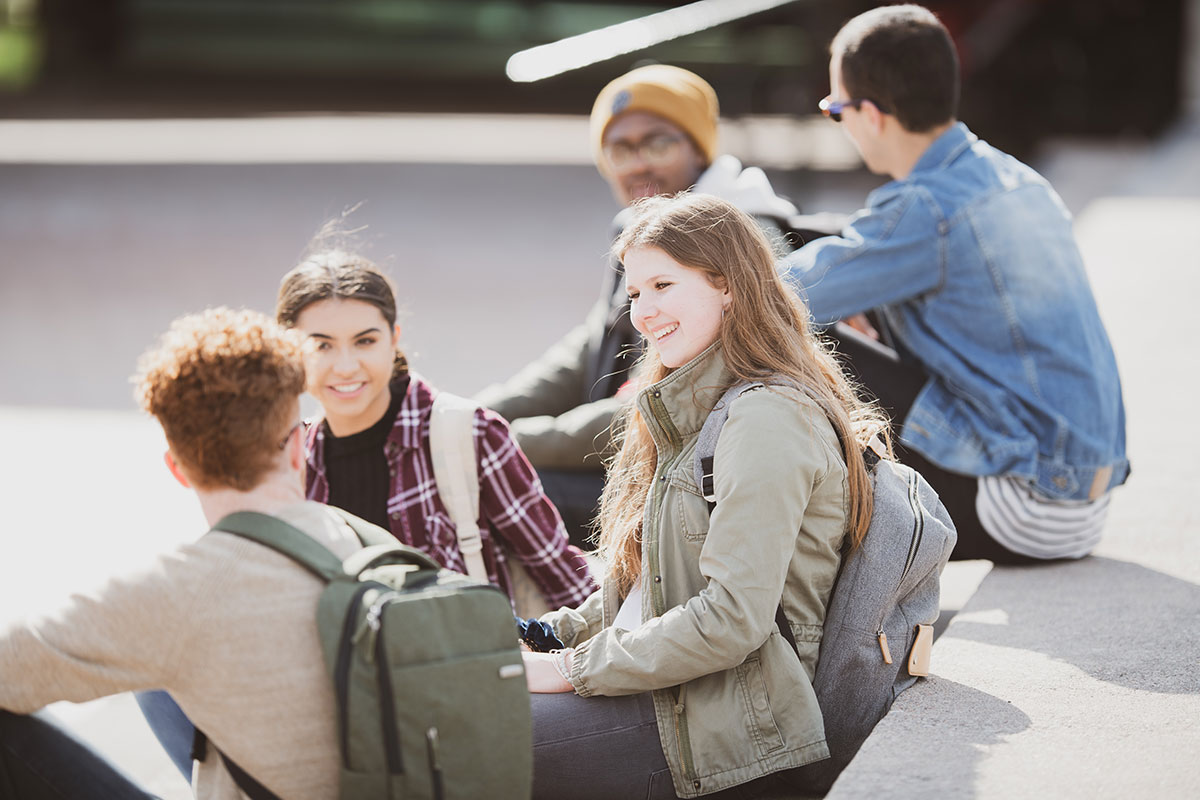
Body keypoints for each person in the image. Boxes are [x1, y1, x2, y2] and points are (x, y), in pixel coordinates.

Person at [136, 247, 600, 780]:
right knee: (160, 679)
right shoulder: (290, 457)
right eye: (322, 345)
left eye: (365, 341)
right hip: (340, 692)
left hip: (453, 690)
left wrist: (578, 674)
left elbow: (565, 580)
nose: (346, 366)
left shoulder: (464, 433)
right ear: (289, 352)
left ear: (395, 339)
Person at [519, 193, 891, 799]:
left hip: (734, 727)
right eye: (635, 293)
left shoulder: (767, 417)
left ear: (729, 286)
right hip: (683, 695)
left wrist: (568, 669)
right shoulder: (696, 408)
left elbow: (731, 620)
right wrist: (545, 636)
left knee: (457, 742)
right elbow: (655, 589)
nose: (641, 313)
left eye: (662, 285)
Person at [781, 4, 1128, 564]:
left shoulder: (926, 208)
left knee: (786, 332)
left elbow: (778, 294)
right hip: (1078, 495)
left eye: (833, 109)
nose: (838, 122)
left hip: (1029, 507)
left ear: (869, 114)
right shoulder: (1010, 176)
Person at [1, 307, 358, 798]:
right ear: (298, 448)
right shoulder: (357, 539)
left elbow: (10, 665)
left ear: (178, 469)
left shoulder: (183, 591)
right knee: (157, 679)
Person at [477, 64, 801, 547]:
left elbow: (684, 399)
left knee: (488, 487)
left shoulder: (739, 236)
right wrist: (475, 416)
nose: (638, 164)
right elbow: (583, 351)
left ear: (699, 147)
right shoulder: (642, 230)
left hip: (700, 479)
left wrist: (500, 441)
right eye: (620, 148)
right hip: (638, 453)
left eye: (658, 143)